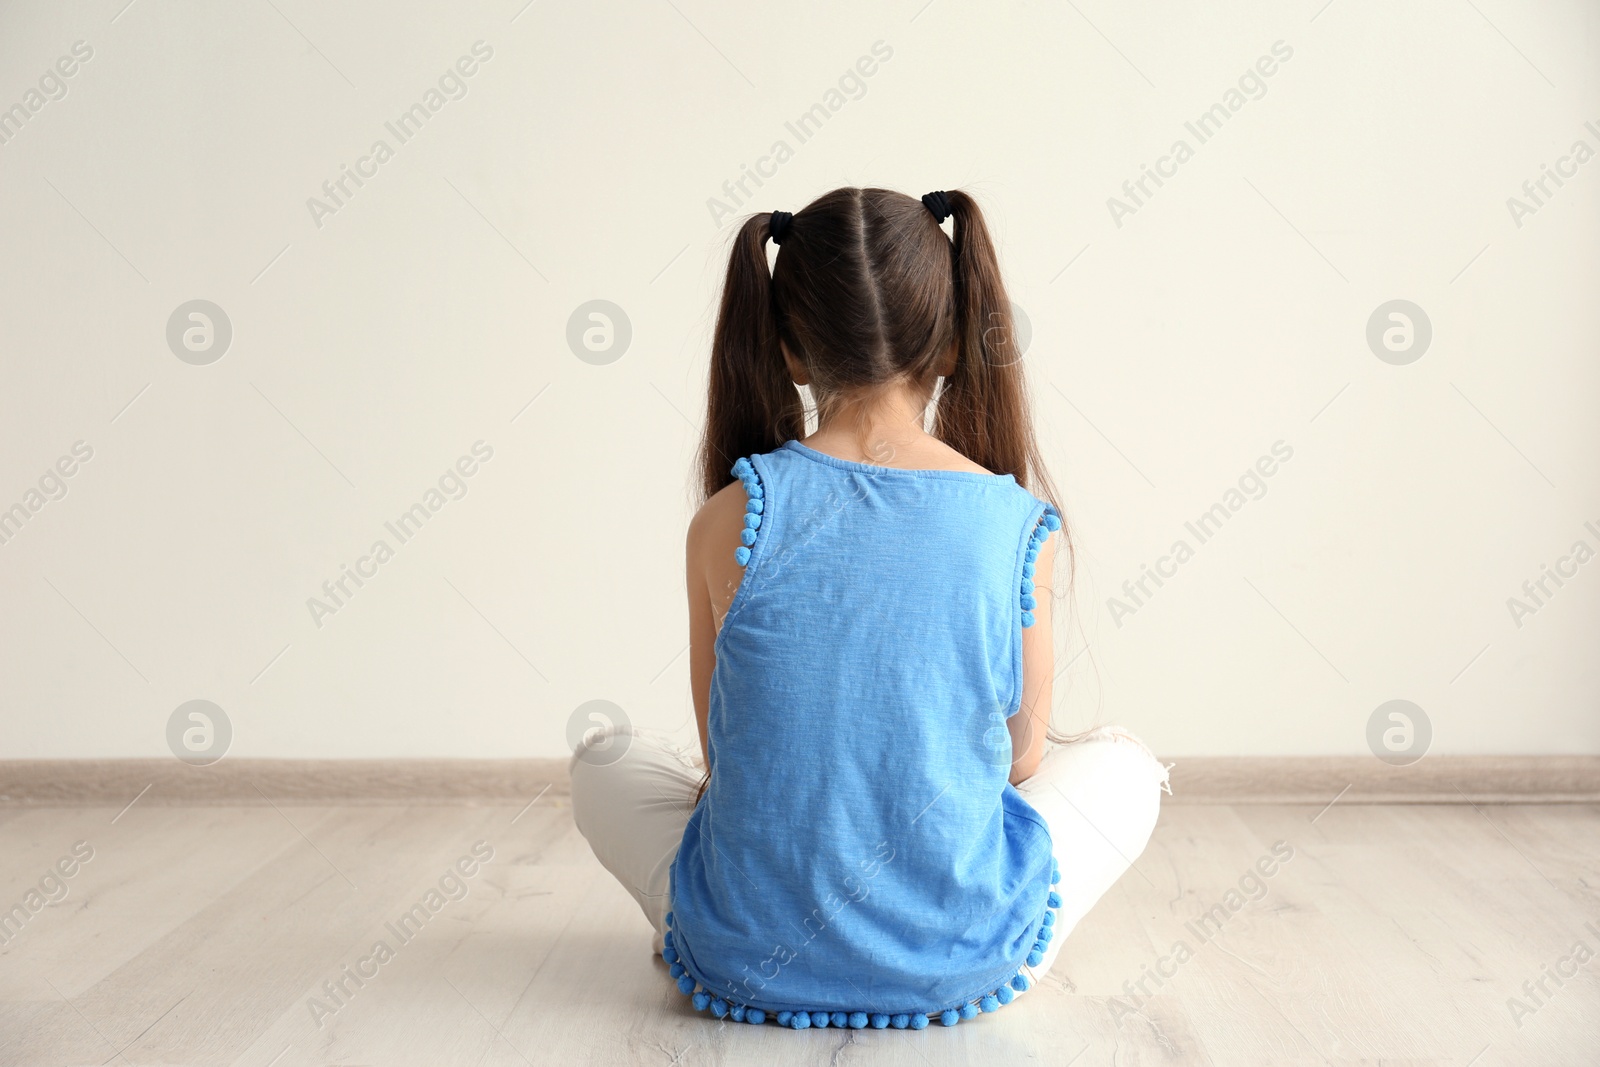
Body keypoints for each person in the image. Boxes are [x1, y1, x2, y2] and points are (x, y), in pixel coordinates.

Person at [572, 187, 1170, 1030]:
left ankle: (758, 930)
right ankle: (950, 941)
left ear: (788, 350)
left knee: (603, 761)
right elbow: (1022, 759)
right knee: (1126, 766)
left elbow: (725, 751)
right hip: (962, 961)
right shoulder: (1013, 524)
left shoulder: (726, 519)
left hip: (745, 958)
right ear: (955, 341)